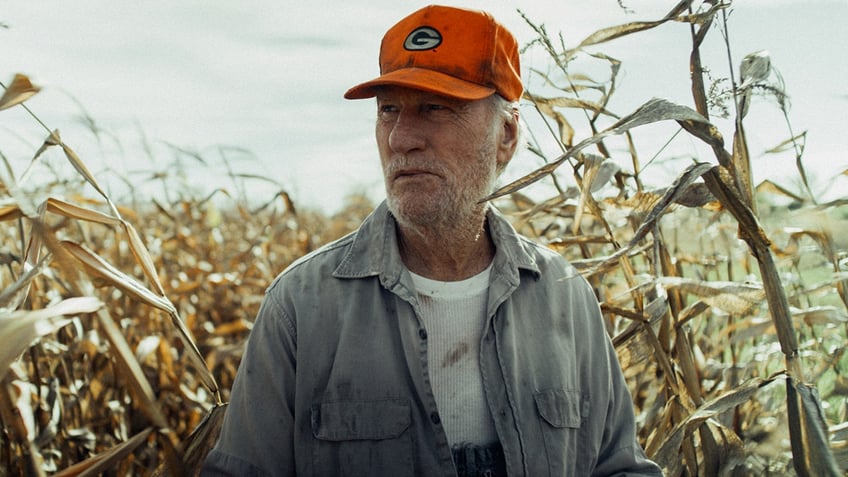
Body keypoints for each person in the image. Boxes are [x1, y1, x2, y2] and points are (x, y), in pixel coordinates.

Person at [202, 5, 663, 476]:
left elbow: (619, 467)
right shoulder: (301, 306)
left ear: (505, 134)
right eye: (389, 110)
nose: (402, 138)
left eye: (434, 108)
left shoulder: (566, 298)